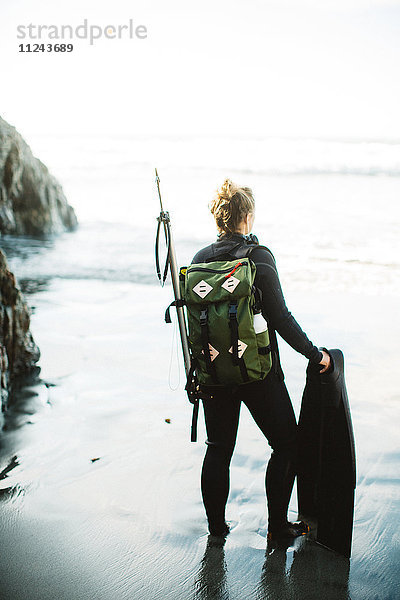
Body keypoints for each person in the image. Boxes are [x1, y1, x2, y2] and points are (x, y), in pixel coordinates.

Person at [191, 178, 331, 542]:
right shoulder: (259, 257)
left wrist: (199, 372)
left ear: (219, 219)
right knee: (286, 444)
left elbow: (195, 327)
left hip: (214, 373)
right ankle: (277, 528)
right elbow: (279, 317)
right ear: (247, 216)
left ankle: (217, 530)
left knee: (218, 449)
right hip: (258, 372)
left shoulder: (199, 261)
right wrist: (315, 354)